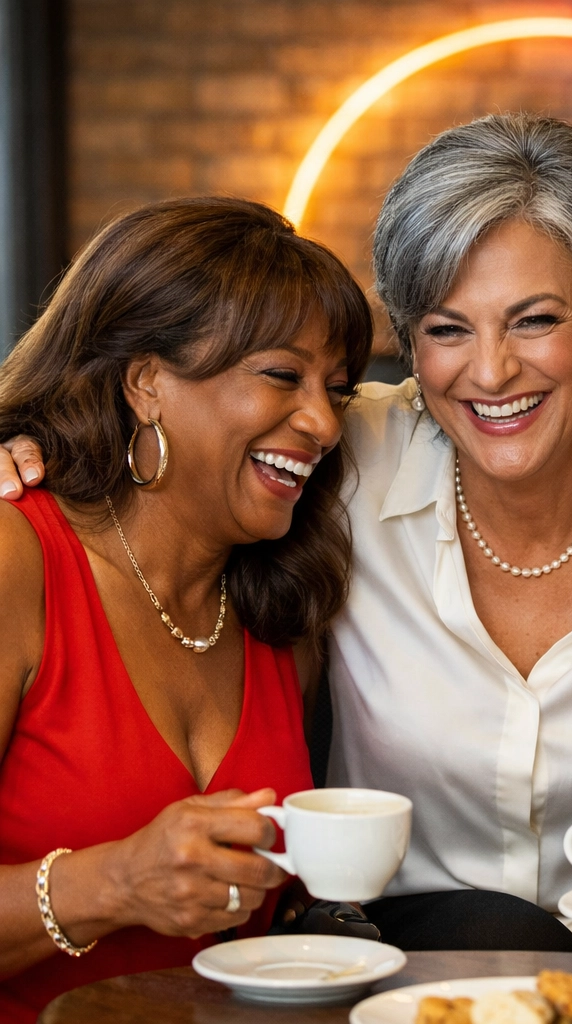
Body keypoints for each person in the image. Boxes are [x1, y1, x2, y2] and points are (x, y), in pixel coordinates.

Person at [2, 115, 572, 952]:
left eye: (534, 320)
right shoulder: (337, 465)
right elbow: (187, 447)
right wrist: (34, 444)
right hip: (392, 976)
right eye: (446, 329)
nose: (491, 371)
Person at [0, 195, 373, 1021]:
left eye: (339, 390)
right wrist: (116, 882)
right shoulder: (17, 556)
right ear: (146, 383)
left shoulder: (280, 612)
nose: (323, 423)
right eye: (281, 376)